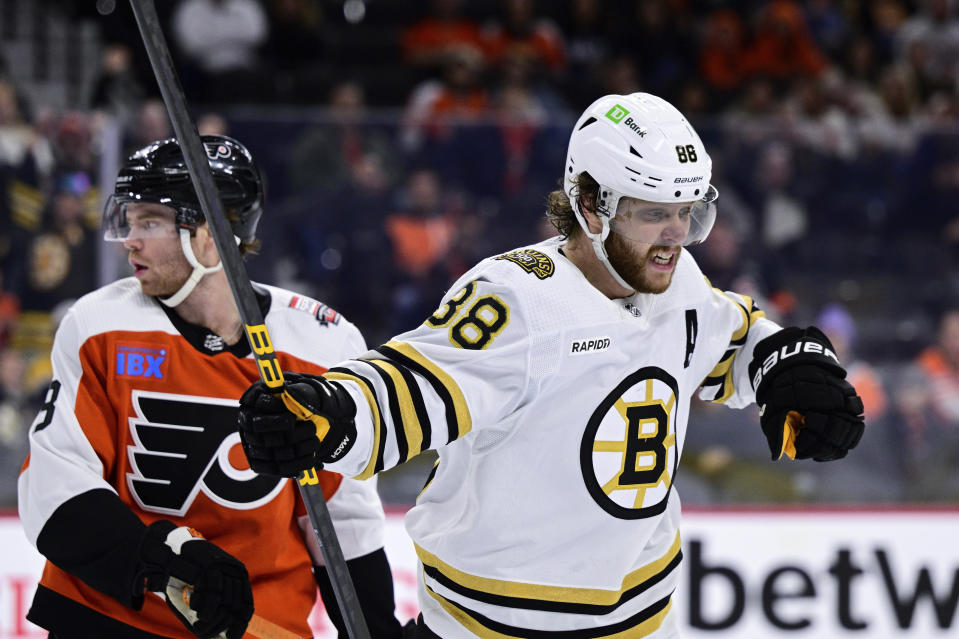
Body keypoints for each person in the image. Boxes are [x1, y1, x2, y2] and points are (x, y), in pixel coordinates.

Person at [237, 93, 866, 637]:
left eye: (688, 212)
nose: (676, 236)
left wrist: (785, 364)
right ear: (591, 206)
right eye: (653, 213)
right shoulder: (516, 299)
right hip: (491, 627)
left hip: (645, 618)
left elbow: (728, 333)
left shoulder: (673, 279)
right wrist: (332, 410)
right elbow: (416, 381)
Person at [17, 135, 404, 639]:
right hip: (114, 618)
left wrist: (377, 629)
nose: (130, 239)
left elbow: (340, 517)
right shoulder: (99, 325)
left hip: (260, 627)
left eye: (150, 221)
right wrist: (165, 558)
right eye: (129, 221)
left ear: (211, 232)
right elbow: (53, 487)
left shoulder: (321, 344)